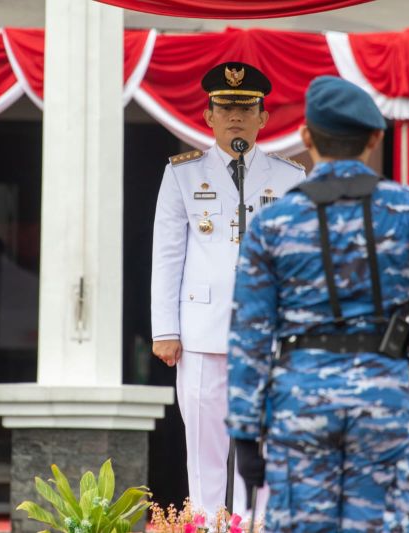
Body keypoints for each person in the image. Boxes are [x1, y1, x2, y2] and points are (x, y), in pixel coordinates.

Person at [225, 76, 409, 531]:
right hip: (381, 394)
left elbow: (250, 335)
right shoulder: (406, 206)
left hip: (302, 400)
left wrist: (245, 431)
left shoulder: (273, 224)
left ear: (306, 137)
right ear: (375, 138)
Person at [151, 62, 305, 515]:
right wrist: (165, 328)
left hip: (268, 332)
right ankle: (207, 524)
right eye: (225, 107)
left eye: (245, 107)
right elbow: (167, 253)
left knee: (266, 449)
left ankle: (258, 525)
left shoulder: (289, 176)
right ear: (208, 116)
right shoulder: (182, 173)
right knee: (203, 448)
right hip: (201, 331)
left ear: (263, 117)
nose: (235, 115)